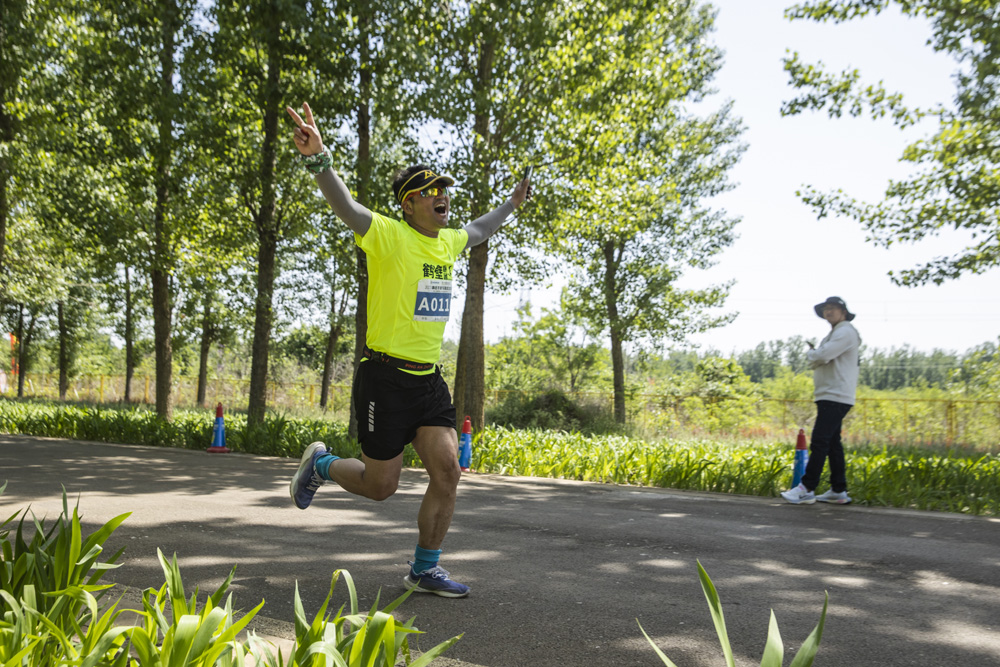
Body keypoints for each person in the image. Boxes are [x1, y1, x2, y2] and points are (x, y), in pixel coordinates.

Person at [285, 102, 531, 598]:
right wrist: (319, 158)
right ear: (408, 204)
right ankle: (322, 465)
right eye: (430, 191)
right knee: (382, 487)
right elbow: (347, 207)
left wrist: (512, 204)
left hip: (428, 381)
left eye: (443, 190)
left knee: (448, 470)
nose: (441, 197)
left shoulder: (448, 243)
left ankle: (424, 569)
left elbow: (481, 228)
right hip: (384, 378)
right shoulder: (388, 236)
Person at [781, 296, 861, 506]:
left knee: (820, 440)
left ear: (844, 311)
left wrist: (813, 354)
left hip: (835, 395)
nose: (828, 311)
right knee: (833, 444)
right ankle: (838, 489)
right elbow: (820, 358)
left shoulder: (845, 331)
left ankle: (806, 488)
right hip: (831, 394)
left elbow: (823, 356)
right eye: (826, 308)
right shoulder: (836, 333)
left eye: (833, 308)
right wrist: (816, 356)